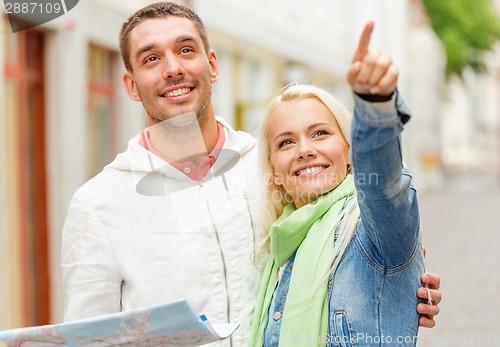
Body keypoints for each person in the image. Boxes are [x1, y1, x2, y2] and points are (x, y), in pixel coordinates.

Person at [60, 2, 441, 346]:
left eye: (185, 50)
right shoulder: (99, 204)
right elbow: (88, 337)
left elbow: (370, 215)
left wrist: (399, 282)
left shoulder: (275, 164)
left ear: (212, 64)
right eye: (151, 58)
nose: (173, 68)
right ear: (130, 84)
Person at [250, 22, 431, 346]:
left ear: (350, 152)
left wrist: (374, 106)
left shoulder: (371, 227)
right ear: (274, 169)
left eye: (320, 133)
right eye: (286, 142)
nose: (305, 150)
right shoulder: (278, 249)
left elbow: (384, 187)